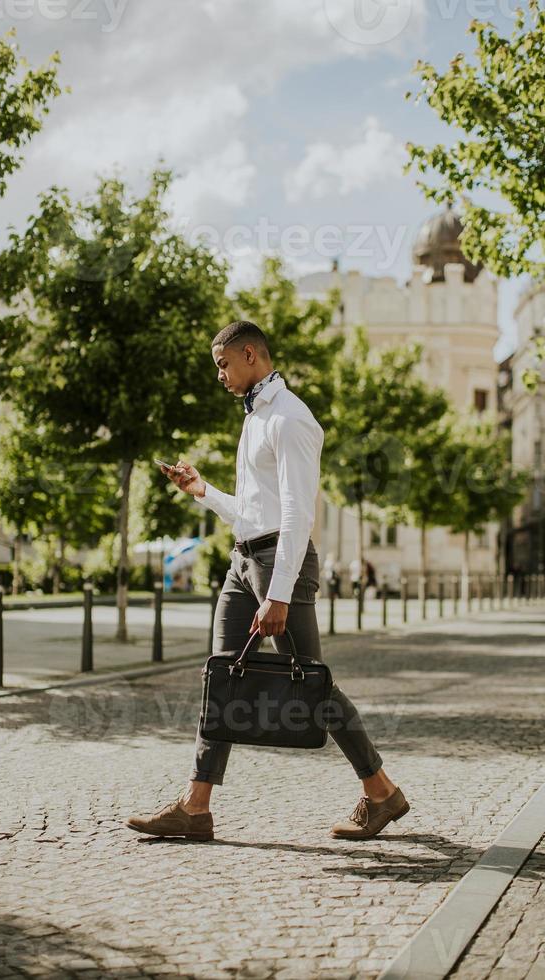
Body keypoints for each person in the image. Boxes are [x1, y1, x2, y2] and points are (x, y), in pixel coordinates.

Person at [125, 320, 409, 841]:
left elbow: (298, 515)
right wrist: (202, 490)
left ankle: (382, 792)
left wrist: (277, 592)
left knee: (313, 685)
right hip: (243, 561)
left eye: (223, 365)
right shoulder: (255, 418)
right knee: (220, 679)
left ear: (251, 355)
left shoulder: (291, 419)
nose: (220, 375)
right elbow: (254, 511)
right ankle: (196, 807)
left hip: (282, 564)